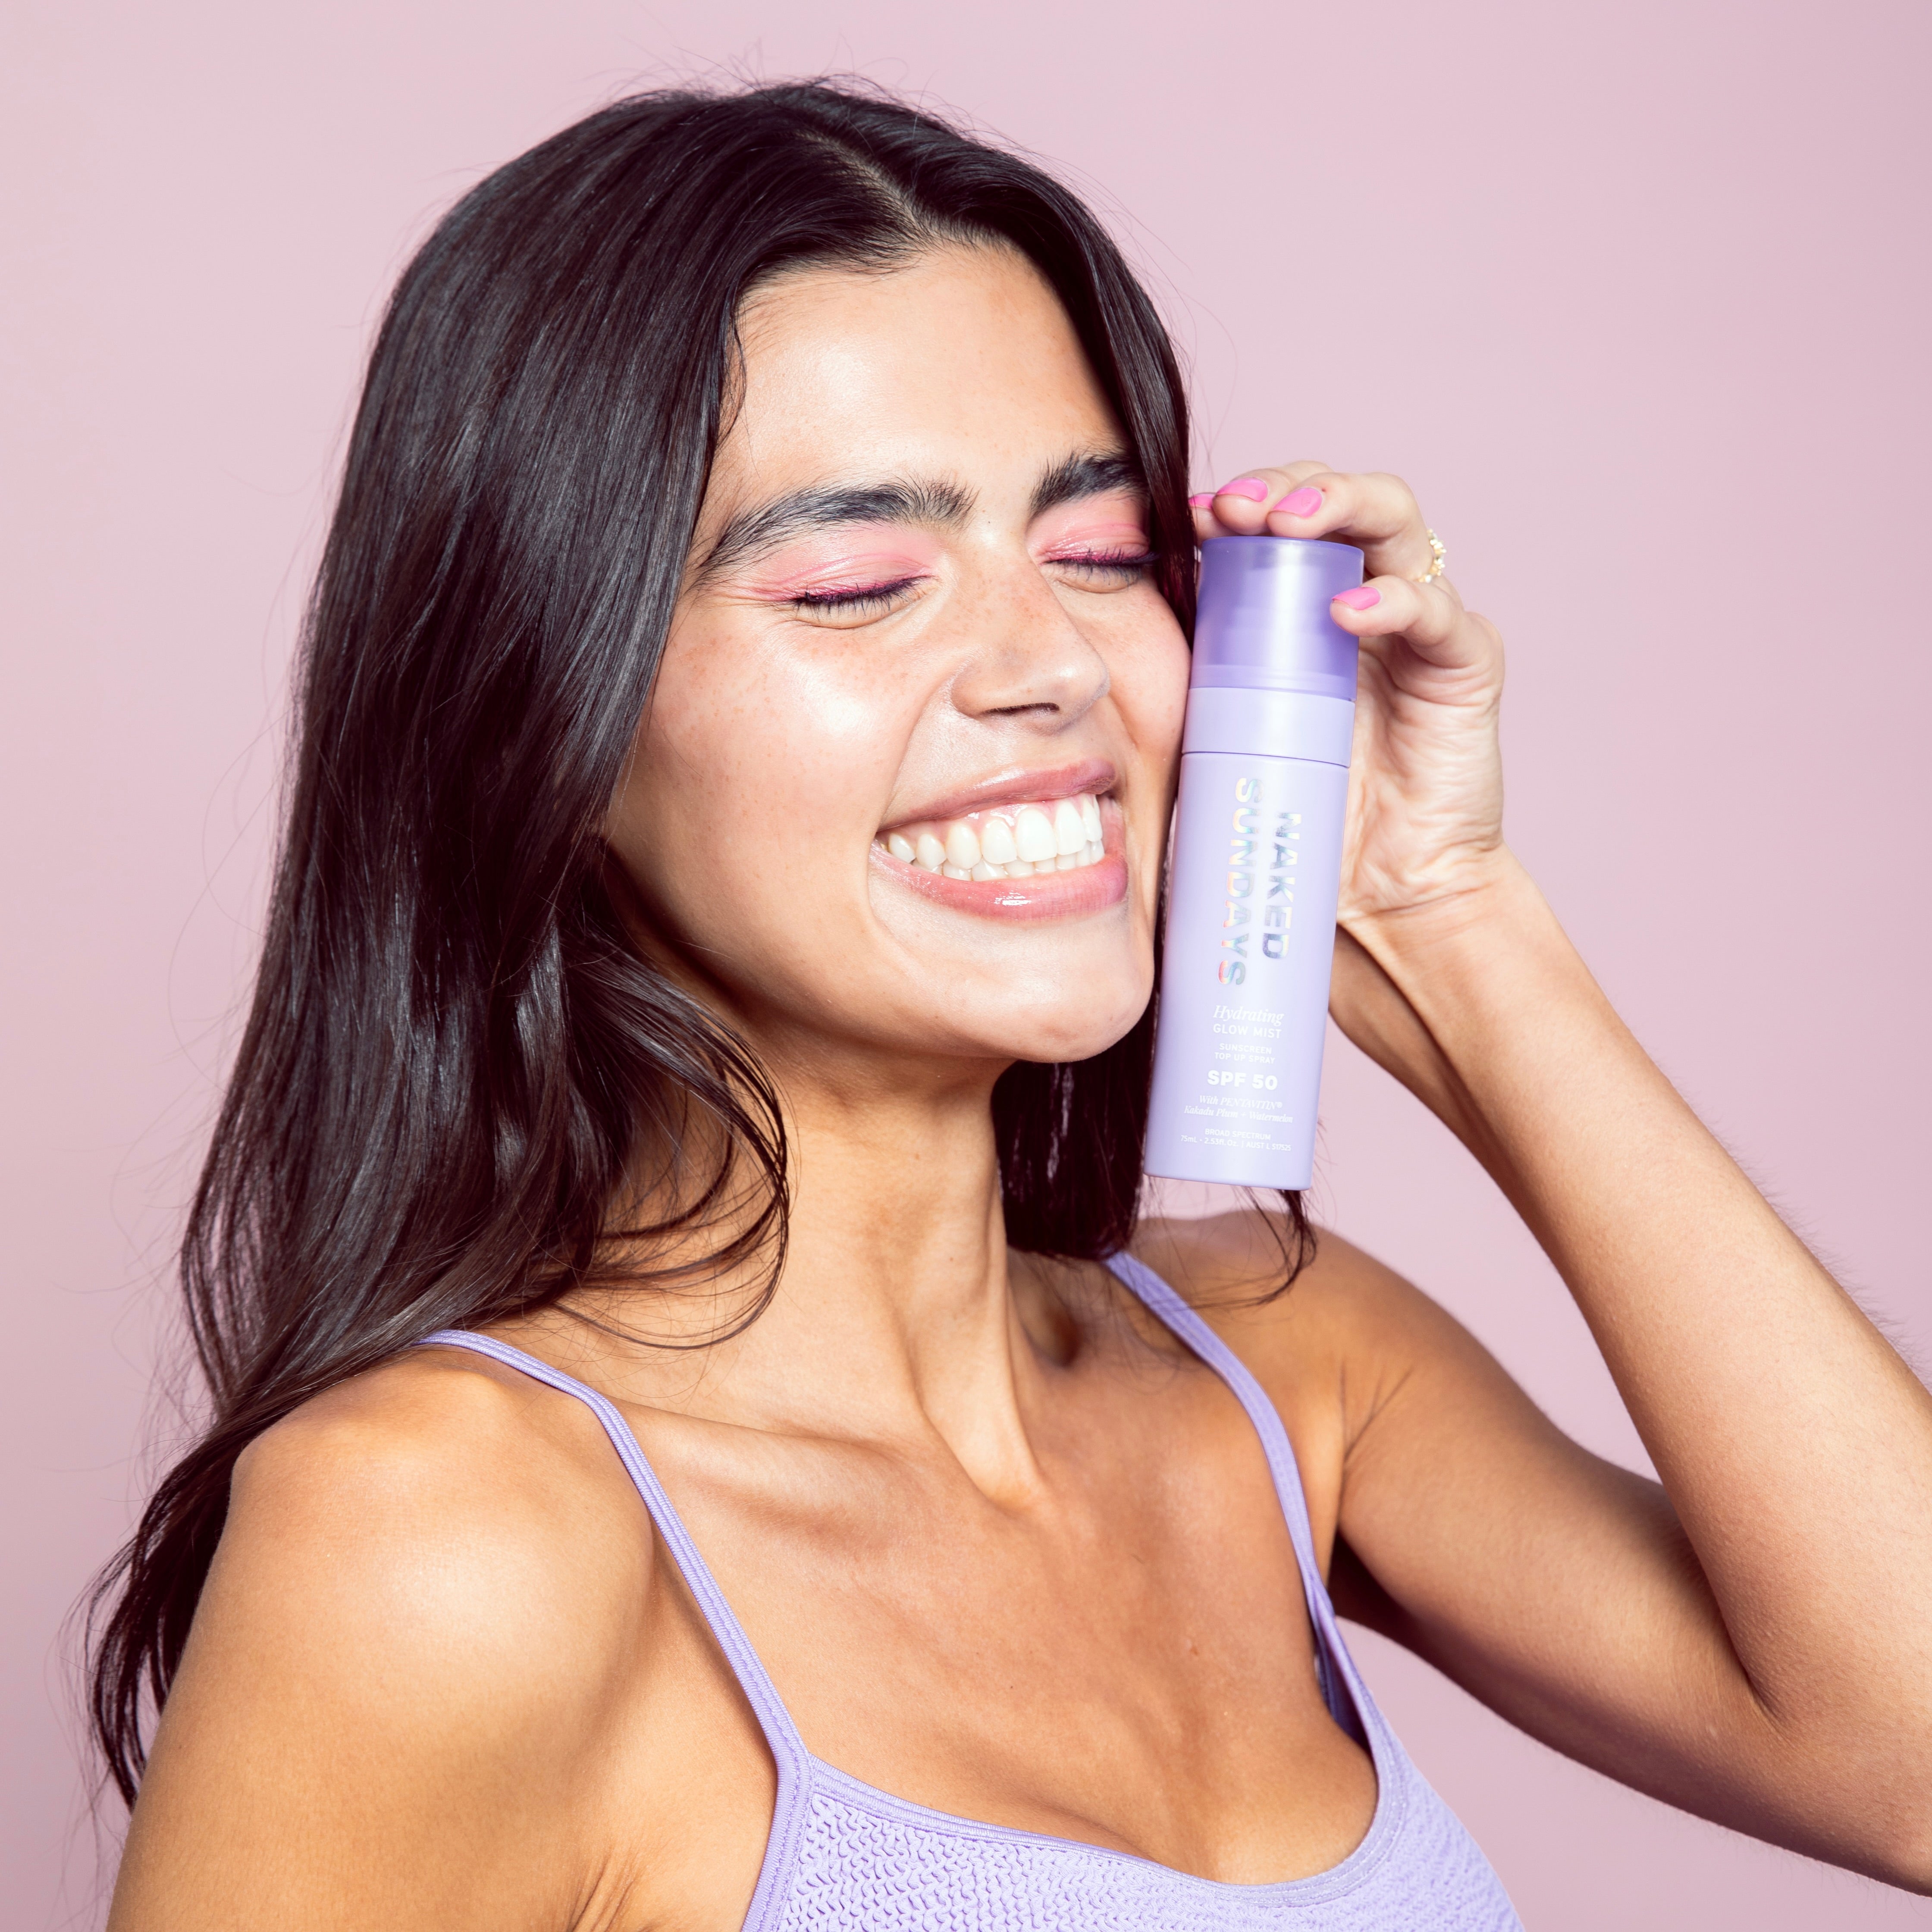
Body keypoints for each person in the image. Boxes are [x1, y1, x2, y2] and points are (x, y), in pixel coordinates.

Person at [94, 82, 1932, 1929]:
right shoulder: (440, 1532)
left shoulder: (1283, 1366)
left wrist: (1443, 921)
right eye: (855, 584)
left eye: (1100, 553)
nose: (1049, 664)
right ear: (538, 727)